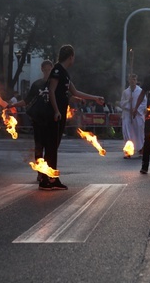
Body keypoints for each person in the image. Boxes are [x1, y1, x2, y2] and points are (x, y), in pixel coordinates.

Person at [43, 44, 105, 190]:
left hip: (61, 113)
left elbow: (75, 92)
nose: (74, 59)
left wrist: (94, 98)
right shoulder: (57, 70)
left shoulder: (64, 73)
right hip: (54, 114)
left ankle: (51, 177)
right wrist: (56, 110)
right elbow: (51, 91)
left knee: (54, 146)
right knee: (51, 146)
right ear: (71, 57)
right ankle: (46, 179)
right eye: (73, 57)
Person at [8, 59, 54, 175]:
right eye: (45, 70)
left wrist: (79, 100)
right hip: (38, 119)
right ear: (42, 70)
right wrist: (13, 105)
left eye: (50, 70)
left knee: (50, 147)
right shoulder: (37, 84)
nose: (48, 72)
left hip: (51, 120)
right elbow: (26, 100)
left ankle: (48, 171)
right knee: (39, 146)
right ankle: (40, 172)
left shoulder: (55, 84)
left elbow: (66, 97)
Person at [120, 74, 146, 158]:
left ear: (136, 80)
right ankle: (128, 150)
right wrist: (128, 101)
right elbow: (122, 103)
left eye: (134, 79)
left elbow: (144, 103)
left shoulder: (140, 91)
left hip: (137, 114)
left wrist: (136, 109)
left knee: (138, 131)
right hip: (127, 114)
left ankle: (140, 148)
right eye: (131, 79)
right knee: (127, 132)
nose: (132, 81)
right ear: (128, 80)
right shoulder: (126, 92)